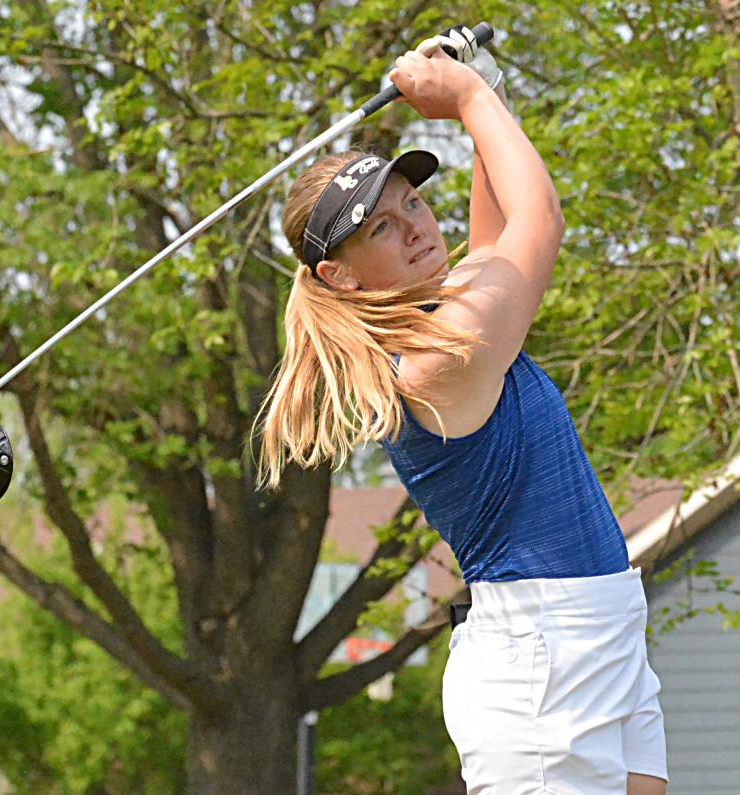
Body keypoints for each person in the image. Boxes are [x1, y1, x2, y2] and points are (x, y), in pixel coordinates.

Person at [252, 26, 669, 795]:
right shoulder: (438, 358)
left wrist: (483, 87)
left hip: (596, 626)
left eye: (412, 200)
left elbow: (499, 232)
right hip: (543, 654)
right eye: (381, 225)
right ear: (338, 276)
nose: (415, 224)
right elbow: (538, 221)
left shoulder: (451, 313)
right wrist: (471, 99)